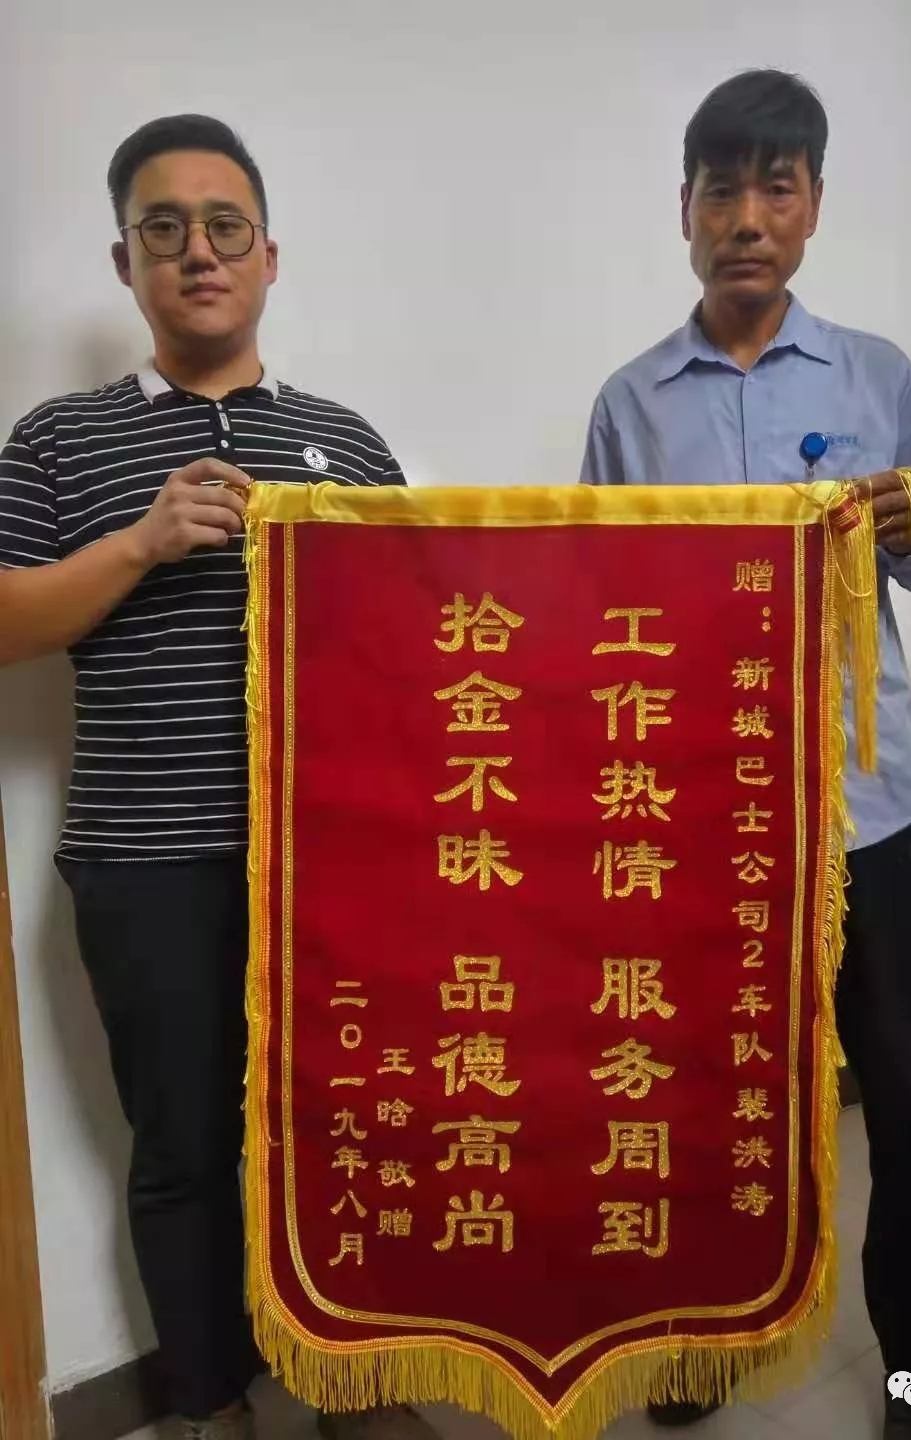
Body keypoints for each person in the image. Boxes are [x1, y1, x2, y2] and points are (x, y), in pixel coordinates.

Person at [0, 115, 438, 1440]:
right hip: (148, 862)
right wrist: (141, 543)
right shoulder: (61, 438)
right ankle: (204, 1405)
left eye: (225, 225)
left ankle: (355, 1386)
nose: (199, 251)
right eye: (165, 228)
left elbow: (427, 638)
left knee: (348, 1128)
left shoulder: (343, 439)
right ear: (126, 262)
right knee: (184, 1148)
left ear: (268, 256)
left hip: (335, 865)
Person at [580, 70, 911, 1440]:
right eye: (721, 190)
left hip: (870, 814)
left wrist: (907, 522)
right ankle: (700, 1341)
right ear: (684, 210)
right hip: (702, 823)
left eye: (776, 187)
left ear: (811, 207)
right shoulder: (630, 405)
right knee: (700, 1099)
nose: (746, 217)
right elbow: (596, 606)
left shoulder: (877, 375)